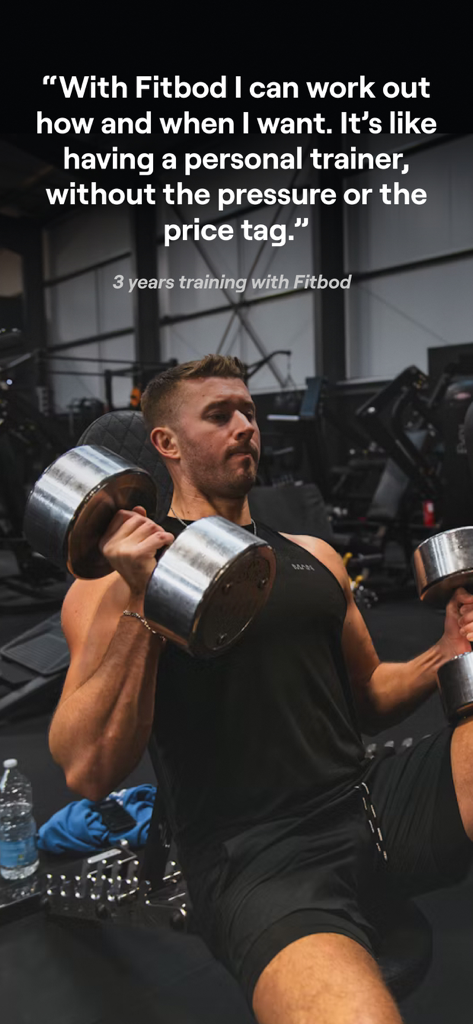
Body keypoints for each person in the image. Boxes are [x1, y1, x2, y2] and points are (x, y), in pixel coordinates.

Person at [49, 354, 473, 1024]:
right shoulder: (110, 583)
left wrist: (442, 655)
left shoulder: (316, 555)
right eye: (219, 415)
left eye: (246, 410)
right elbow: (86, 768)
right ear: (167, 444)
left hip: (367, 800)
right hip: (256, 855)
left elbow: (366, 697)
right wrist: (143, 595)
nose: (244, 425)